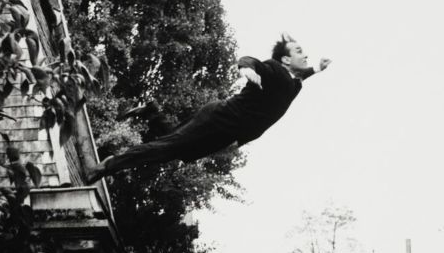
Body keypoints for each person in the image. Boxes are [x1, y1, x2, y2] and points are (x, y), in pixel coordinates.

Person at [86, 34, 331, 181]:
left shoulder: (294, 84)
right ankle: (107, 166)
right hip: (219, 119)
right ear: (286, 59)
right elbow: (252, 61)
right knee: (167, 148)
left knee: (180, 150)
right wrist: (245, 68)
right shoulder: (275, 70)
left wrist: (317, 69)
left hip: (228, 133)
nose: (305, 55)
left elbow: (301, 76)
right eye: (299, 51)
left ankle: (151, 112)